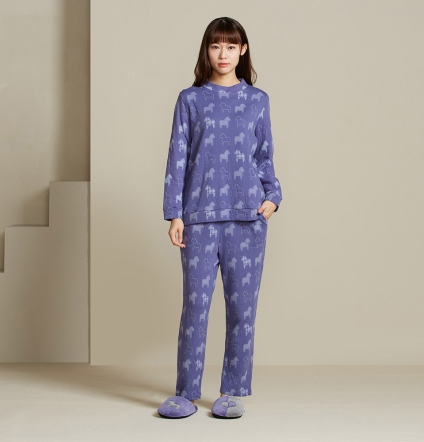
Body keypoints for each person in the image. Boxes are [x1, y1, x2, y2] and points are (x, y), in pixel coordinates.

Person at [158, 16, 283, 419]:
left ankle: (231, 391)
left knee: (242, 310)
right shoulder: (190, 100)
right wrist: (174, 214)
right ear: (206, 50)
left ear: (243, 50)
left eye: (231, 46)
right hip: (198, 218)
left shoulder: (257, 100)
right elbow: (177, 158)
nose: (223, 54)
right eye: (216, 46)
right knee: (194, 307)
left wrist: (273, 196)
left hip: (247, 218)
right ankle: (186, 393)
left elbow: (264, 155)